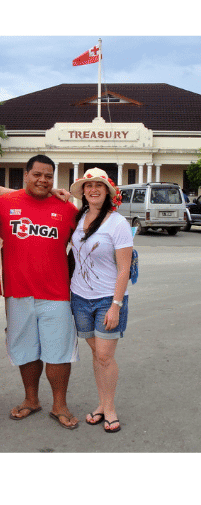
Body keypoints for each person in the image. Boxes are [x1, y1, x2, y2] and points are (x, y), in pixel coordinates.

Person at [0, 155, 80, 429]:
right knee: (25, 350)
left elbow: (84, 245)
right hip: (17, 293)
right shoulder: (5, 204)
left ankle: (60, 405)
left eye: (48, 176)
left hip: (56, 294)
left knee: (59, 352)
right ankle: (31, 400)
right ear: (25, 174)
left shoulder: (67, 209)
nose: (43, 180)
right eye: (37, 174)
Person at [68, 168, 133, 433]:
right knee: (97, 354)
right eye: (88, 185)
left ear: (107, 192)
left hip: (108, 299)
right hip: (80, 297)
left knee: (105, 356)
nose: (93, 189)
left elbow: (124, 269)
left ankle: (110, 408)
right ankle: (102, 403)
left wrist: (116, 305)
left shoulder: (117, 223)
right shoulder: (79, 216)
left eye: (99, 185)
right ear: (83, 192)